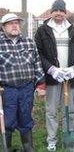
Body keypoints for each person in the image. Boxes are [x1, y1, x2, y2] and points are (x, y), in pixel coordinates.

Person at [35, 0, 74, 151]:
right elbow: (39, 54)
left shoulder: (73, 30)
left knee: (69, 110)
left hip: (69, 78)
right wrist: (52, 69)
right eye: (56, 10)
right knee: (51, 111)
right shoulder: (43, 30)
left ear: (65, 13)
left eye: (61, 11)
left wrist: (73, 69)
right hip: (52, 78)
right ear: (51, 12)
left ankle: (68, 138)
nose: (59, 13)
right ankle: (52, 140)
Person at [0, 13, 45, 152]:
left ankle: (27, 147)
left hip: (27, 88)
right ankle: (7, 148)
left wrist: (41, 84)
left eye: (17, 23)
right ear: (3, 27)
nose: (15, 25)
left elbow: (37, 63)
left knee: (26, 118)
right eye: (11, 23)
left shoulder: (29, 42)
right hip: (7, 90)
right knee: (7, 121)